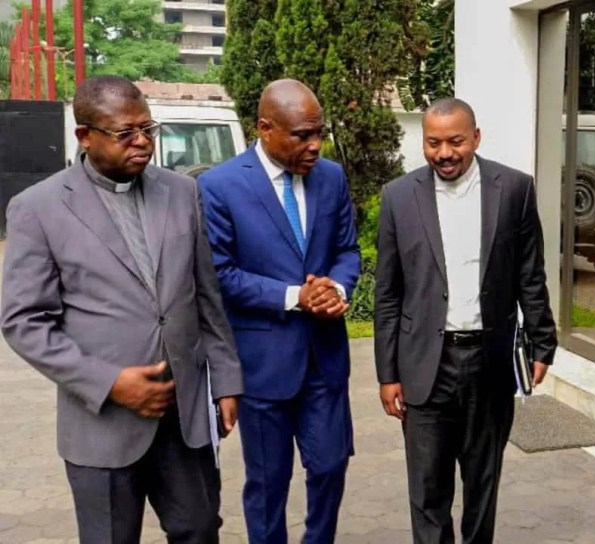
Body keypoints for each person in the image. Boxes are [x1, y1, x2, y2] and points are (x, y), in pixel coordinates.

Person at [0, 75, 243, 543]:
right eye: (124, 133)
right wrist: (109, 383)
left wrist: (227, 380)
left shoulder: (182, 192)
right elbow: (24, 322)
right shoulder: (38, 208)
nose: (142, 142)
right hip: (102, 425)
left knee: (199, 530)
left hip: (183, 414)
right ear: (85, 135)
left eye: (147, 129)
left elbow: (205, 295)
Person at [374, 97, 558, 544]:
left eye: (455, 141)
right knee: (427, 490)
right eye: (433, 143)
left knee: (482, 484)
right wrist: (387, 373)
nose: (444, 153)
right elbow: (388, 292)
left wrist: (543, 341)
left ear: (475, 137)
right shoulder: (398, 196)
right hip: (423, 365)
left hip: (488, 363)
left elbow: (530, 274)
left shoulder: (514, 189)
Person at [197, 79, 361, 544]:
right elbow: (220, 274)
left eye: (319, 133)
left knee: (330, 466)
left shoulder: (331, 177)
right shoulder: (219, 186)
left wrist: (335, 288)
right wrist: (295, 296)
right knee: (269, 484)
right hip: (262, 366)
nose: (315, 145)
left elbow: (347, 250)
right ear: (265, 128)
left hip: (324, 359)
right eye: (302, 135)